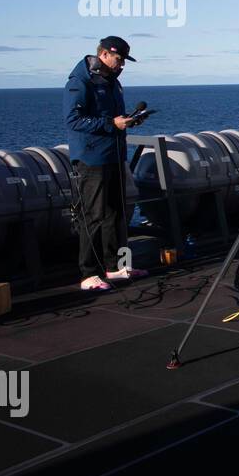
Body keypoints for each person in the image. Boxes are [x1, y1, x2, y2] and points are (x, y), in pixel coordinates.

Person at [63, 36, 149, 291]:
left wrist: (128, 121)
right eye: (118, 59)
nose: (121, 65)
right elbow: (73, 120)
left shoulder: (113, 83)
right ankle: (88, 273)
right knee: (93, 216)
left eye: (123, 61)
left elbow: (112, 118)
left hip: (113, 155)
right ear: (103, 55)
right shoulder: (80, 82)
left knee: (116, 213)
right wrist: (111, 124)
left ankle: (116, 266)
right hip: (92, 159)